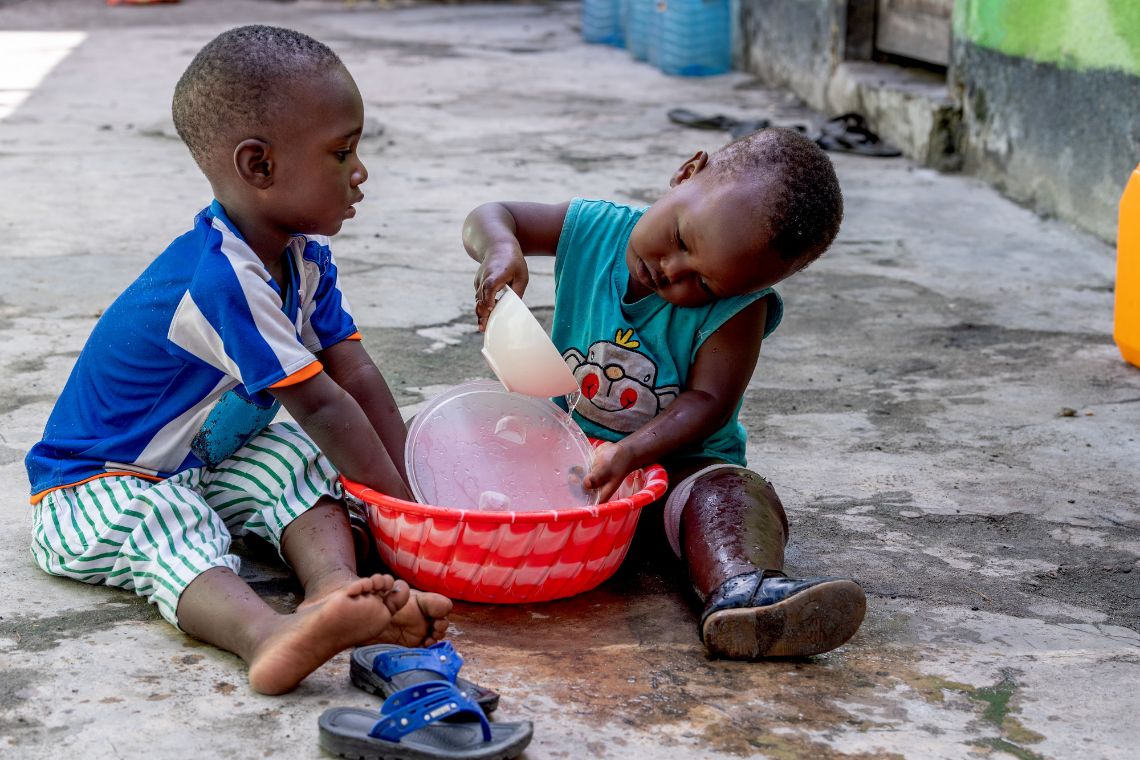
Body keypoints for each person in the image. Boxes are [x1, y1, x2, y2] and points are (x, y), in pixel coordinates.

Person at [24, 25, 452, 695]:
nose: (361, 172)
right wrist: (411, 518)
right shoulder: (221, 277)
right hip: (94, 487)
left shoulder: (302, 259)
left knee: (296, 457)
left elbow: (356, 376)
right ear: (259, 166)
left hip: (195, 465)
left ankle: (334, 592)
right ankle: (265, 636)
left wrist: (420, 495)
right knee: (169, 524)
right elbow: (322, 403)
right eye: (342, 153)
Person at [463, 128, 866, 659]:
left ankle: (744, 591)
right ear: (686, 173)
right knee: (478, 440)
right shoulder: (593, 229)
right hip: (575, 469)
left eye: (703, 285)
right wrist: (500, 250)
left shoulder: (738, 311)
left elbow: (708, 402)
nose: (672, 273)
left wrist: (631, 453)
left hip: (675, 474)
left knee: (725, 493)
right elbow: (491, 214)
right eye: (680, 239)